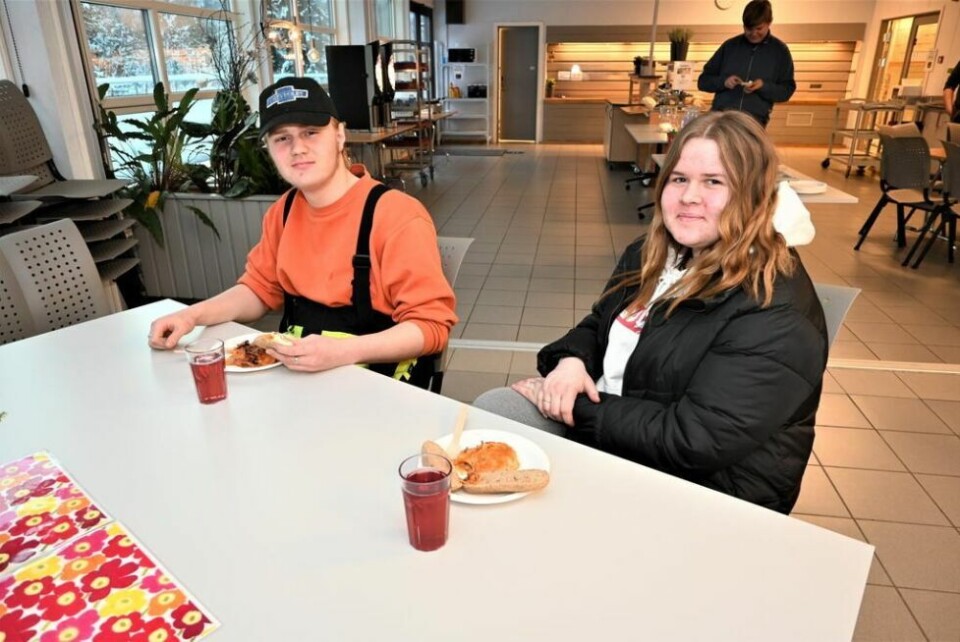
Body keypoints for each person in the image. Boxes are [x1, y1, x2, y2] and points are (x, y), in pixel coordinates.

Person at [476, 111, 826, 514]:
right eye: (679, 179)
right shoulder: (655, 254)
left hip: (706, 488)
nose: (690, 196)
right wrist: (571, 362)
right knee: (496, 409)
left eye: (714, 181)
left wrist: (571, 406)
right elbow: (599, 323)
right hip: (619, 434)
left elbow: (695, 439)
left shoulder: (773, 307)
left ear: (753, 195)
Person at [148, 77, 457, 387]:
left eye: (311, 132)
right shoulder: (282, 212)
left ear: (339, 135)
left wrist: (343, 352)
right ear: (269, 149)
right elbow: (258, 290)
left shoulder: (396, 215)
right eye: (282, 138)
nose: (298, 148)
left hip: (381, 388)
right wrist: (192, 316)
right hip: (301, 381)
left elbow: (430, 326)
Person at [697, 0, 796, 128]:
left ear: (769, 23)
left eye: (759, 28)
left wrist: (763, 86)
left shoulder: (780, 51)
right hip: (720, 121)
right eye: (749, 29)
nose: (754, 33)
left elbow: (786, 91)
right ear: (743, 25)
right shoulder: (729, 46)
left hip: (753, 124)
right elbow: (703, 81)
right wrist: (723, 82)